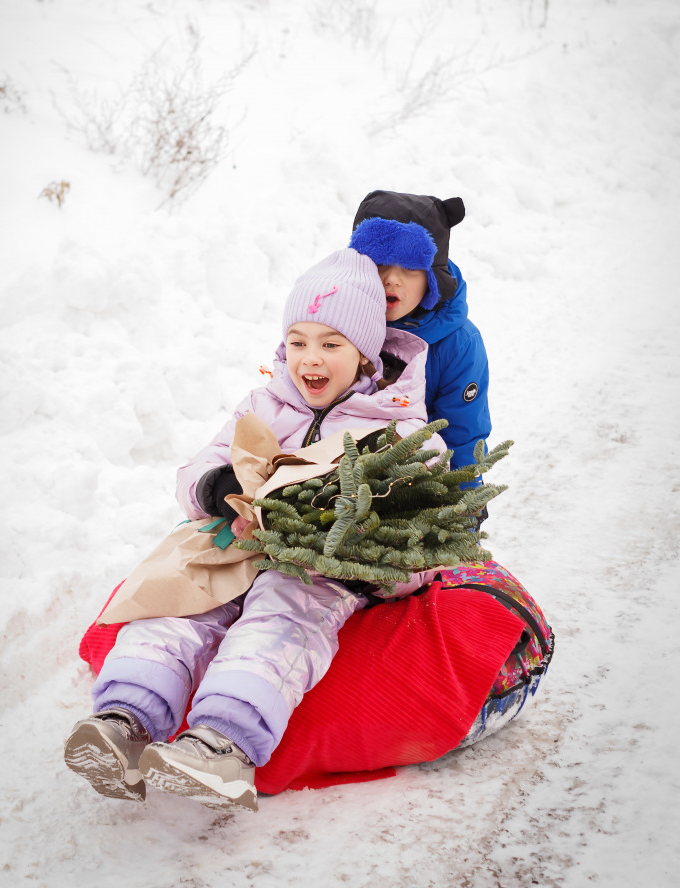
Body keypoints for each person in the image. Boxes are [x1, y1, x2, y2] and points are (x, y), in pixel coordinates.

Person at [64, 248, 445, 812]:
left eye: (331, 344)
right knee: (183, 599)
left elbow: (422, 540)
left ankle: (222, 744)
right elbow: (198, 467)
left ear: (366, 353)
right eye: (298, 342)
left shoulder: (402, 433)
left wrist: (358, 546)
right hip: (240, 544)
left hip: (320, 567)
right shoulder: (265, 403)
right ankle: (123, 720)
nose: (310, 359)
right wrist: (220, 489)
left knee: (283, 615)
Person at [349, 190, 491, 478]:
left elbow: (461, 435)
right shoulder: (337, 324)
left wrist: (461, 507)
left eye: (411, 267)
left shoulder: (458, 344)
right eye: (379, 264)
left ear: (432, 278)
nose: (391, 278)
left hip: (424, 482)